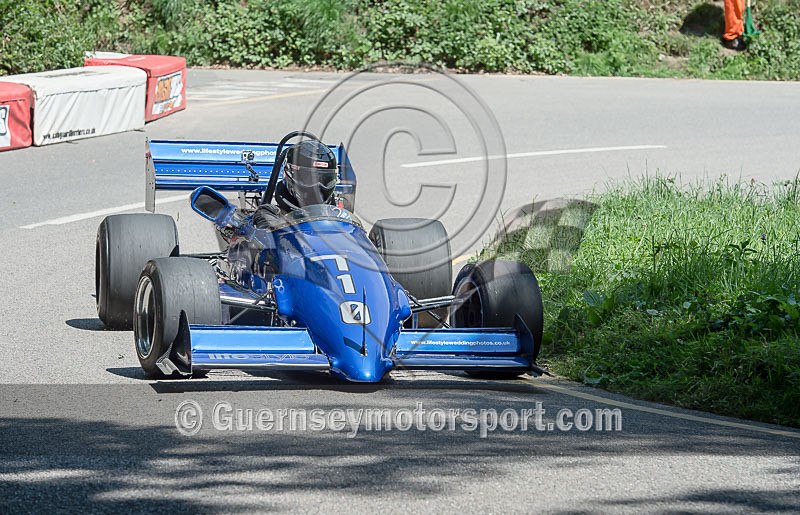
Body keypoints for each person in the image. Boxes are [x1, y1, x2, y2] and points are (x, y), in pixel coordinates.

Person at [253, 139, 339, 228]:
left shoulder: (339, 217)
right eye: (309, 179)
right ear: (288, 174)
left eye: (324, 179)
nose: (318, 186)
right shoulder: (269, 216)